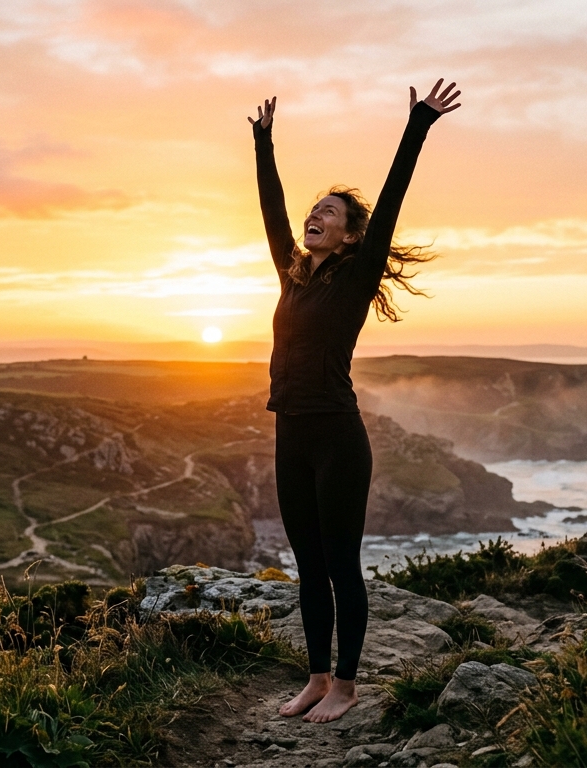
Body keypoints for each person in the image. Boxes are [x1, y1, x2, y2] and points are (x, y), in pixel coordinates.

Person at [248, 79, 462, 723]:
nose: (316, 216)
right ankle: (316, 677)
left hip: (338, 438)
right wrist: (263, 144)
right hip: (289, 433)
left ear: (347, 237)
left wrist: (417, 125)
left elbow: (391, 200)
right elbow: (271, 211)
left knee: (342, 565)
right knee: (308, 567)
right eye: (316, 209)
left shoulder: (355, 278)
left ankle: (347, 685)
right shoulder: (293, 274)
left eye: (330, 213)